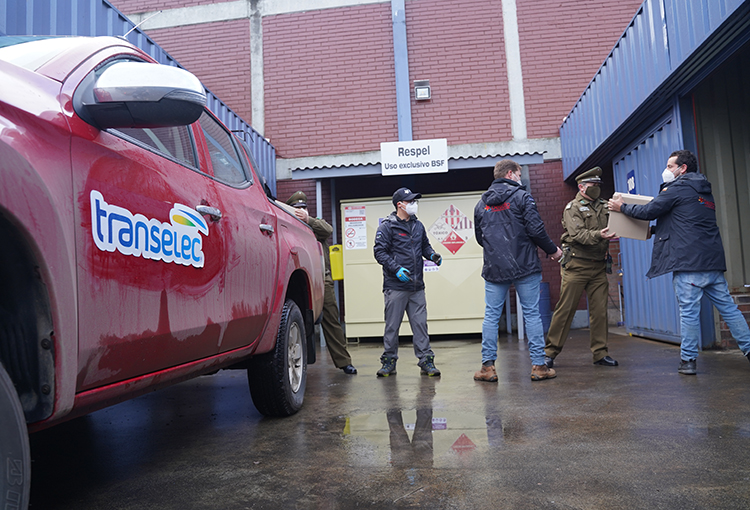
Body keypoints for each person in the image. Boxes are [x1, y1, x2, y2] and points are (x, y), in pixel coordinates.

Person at [608, 150, 750, 375]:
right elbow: (684, 223)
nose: (666, 170)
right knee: (730, 310)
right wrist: (654, 231)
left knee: (689, 313)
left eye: (670, 166)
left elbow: (649, 210)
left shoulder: (678, 187)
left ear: (682, 168)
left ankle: (688, 361)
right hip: (712, 263)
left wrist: (621, 208)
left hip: (689, 265)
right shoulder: (703, 190)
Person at [473, 160, 563, 382]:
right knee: (532, 313)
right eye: (520, 174)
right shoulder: (523, 197)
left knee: (491, 315)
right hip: (525, 265)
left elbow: (479, 238)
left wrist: (497, 252)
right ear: (511, 174)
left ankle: (487, 368)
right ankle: (539, 367)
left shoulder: (481, 204)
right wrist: (553, 251)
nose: (521, 178)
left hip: (495, 268)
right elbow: (536, 230)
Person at [544, 167, 618, 369]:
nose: (597, 189)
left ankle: (600, 354)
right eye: (593, 186)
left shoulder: (604, 206)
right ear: (581, 187)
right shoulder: (572, 208)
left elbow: (619, 223)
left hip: (598, 266)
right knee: (565, 310)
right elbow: (578, 235)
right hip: (576, 265)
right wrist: (600, 235)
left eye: (598, 186)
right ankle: (549, 353)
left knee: (599, 312)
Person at [373, 187, 442, 377]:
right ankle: (389, 362)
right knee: (392, 326)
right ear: (399, 205)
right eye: (410, 201)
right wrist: (396, 269)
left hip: (416, 286)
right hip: (395, 286)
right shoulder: (387, 226)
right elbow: (379, 252)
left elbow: (425, 247)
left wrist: (432, 255)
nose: (414, 204)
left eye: (414, 201)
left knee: (420, 325)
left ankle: (426, 361)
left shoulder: (418, 225)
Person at [286, 191, 357, 374]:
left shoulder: (315, 225)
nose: (301, 211)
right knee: (297, 323)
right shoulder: (287, 225)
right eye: (297, 208)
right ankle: (297, 364)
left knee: (332, 321)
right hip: (299, 284)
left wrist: (308, 219)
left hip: (322, 280)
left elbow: (328, 230)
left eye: (303, 207)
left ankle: (344, 362)